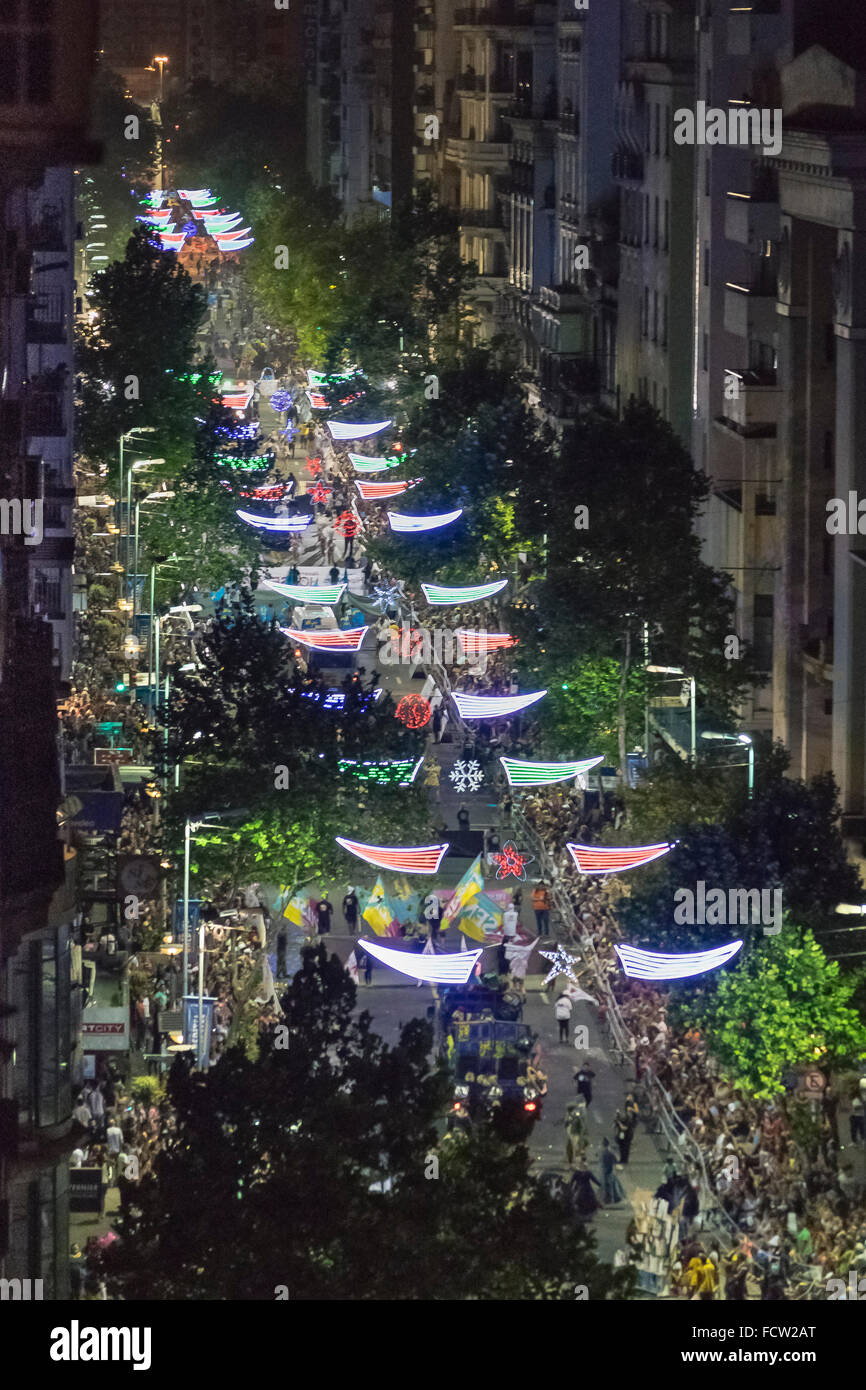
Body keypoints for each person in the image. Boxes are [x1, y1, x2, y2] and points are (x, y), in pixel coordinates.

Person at [600, 1139, 625, 1205]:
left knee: (608, 1186)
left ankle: (609, 1199)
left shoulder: (603, 1153)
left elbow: (602, 1163)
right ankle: (615, 1198)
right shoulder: (610, 1154)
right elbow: (616, 1162)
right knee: (612, 1185)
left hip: (605, 1172)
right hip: (610, 1171)